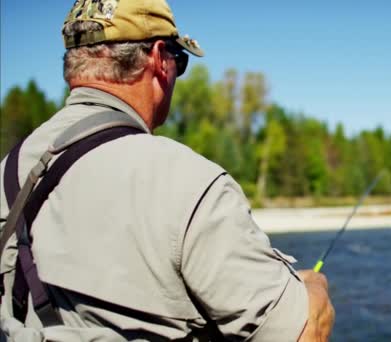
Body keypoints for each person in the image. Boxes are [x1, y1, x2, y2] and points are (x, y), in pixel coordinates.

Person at [0, 0, 334, 341]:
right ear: (160, 59)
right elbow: (306, 333)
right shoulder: (188, 182)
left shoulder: (9, 170)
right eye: (181, 60)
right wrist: (313, 290)